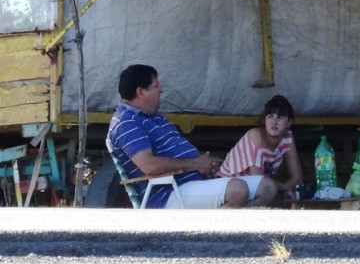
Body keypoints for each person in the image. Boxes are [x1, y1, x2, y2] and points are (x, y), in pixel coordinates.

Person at [108, 64, 278, 209]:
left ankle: (226, 222)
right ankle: (215, 237)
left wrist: (208, 165)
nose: (161, 90)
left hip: (193, 183)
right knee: (238, 190)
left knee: (267, 187)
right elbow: (149, 165)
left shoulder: (155, 117)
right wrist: (196, 164)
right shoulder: (127, 123)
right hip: (168, 193)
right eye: (156, 85)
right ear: (140, 92)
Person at [219, 95, 304, 203]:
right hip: (230, 186)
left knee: (287, 197)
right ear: (264, 120)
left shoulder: (287, 138)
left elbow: (297, 178)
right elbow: (258, 177)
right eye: (270, 116)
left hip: (258, 187)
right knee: (272, 191)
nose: (274, 122)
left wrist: (286, 188)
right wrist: (284, 187)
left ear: (289, 123)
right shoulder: (255, 135)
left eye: (280, 117)